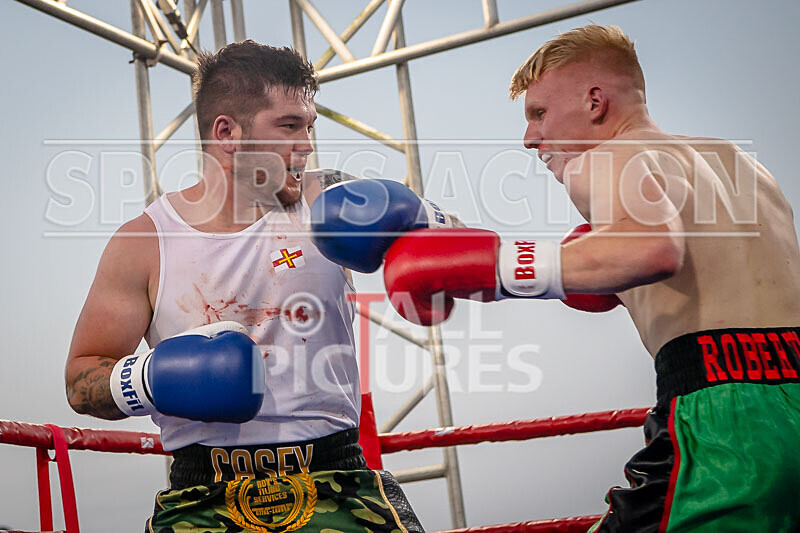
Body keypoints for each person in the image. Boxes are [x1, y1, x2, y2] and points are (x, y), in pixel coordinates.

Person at [367, 25, 800, 531]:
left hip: (726, 419)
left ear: (595, 101)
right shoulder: (740, 165)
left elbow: (650, 249)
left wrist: (494, 265)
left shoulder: (604, 159)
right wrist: (474, 244)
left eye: (539, 113)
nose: (530, 138)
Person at [65, 41, 424, 532]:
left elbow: (453, 251)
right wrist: (153, 380)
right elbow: (81, 381)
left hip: (338, 477)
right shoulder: (144, 242)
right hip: (203, 494)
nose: (307, 146)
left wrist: (425, 225)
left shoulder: (330, 197)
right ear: (227, 133)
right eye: (289, 126)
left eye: (310, 127)